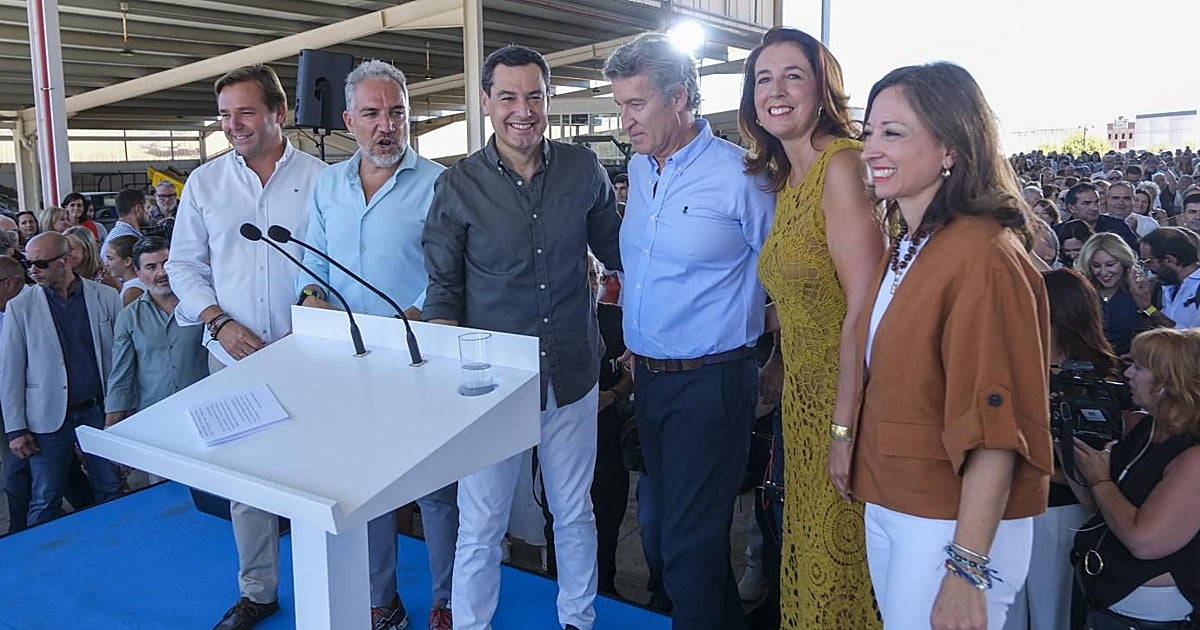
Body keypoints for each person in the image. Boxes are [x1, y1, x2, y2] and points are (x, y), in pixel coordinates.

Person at [422, 44, 621, 630]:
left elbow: (620, 255)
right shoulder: (459, 185)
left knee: (574, 510)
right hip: (492, 386)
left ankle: (578, 620)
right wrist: (448, 378)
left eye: (534, 95)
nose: (522, 109)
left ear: (549, 98)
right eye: (507, 96)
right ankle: (472, 623)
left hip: (572, 373)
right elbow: (442, 292)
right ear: (486, 102)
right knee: (481, 523)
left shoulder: (584, 170)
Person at [853, 62, 1052, 629]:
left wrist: (967, 571)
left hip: (950, 526)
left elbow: (996, 425)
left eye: (893, 132)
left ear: (950, 147)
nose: (871, 149)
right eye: (869, 132)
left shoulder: (984, 255)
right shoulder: (914, 245)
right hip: (898, 506)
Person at [603, 33, 775, 629]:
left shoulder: (742, 177)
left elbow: (783, 277)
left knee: (687, 543)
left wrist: (772, 363)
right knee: (663, 534)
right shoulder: (639, 170)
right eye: (619, 105)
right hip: (648, 383)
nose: (624, 121)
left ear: (680, 99)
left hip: (712, 383)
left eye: (636, 105)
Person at [165, 63, 326, 630]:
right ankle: (258, 591)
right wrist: (217, 322)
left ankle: (325, 582)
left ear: (279, 113)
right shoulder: (206, 183)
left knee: (319, 477)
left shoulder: (321, 177)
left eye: (247, 112)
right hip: (231, 357)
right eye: (226, 115)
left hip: (309, 358)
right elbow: (183, 265)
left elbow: (329, 260)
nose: (234, 124)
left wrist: (312, 303)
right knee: (247, 479)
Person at [296, 59, 454, 630]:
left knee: (436, 490)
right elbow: (310, 260)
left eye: (396, 113)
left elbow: (450, 271)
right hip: (347, 364)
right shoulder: (327, 185)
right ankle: (380, 602)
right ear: (348, 121)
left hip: (418, 358)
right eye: (371, 114)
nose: (385, 126)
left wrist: (410, 315)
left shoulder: (439, 183)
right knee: (369, 489)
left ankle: (448, 601)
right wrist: (310, 292)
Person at [737, 26, 883, 629]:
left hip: (844, 405)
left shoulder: (840, 166)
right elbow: (807, 295)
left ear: (823, 88)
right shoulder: (789, 177)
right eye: (763, 78)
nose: (776, 90)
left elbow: (865, 308)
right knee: (808, 558)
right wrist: (774, 367)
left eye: (792, 75)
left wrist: (844, 430)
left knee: (842, 573)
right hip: (801, 401)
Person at [1003, 269, 1117, 630]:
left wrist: (1030, 464)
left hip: (1059, 516)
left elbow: (1094, 474)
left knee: (1054, 615)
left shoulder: (1097, 382)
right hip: (1003, 510)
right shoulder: (1008, 367)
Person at [1068, 328, 1200, 629]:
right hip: (1100, 600)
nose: (1127, 374)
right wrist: (1072, 451)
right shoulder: (1144, 429)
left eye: (1138, 367)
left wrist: (1101, 480)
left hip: (1148, 616)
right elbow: (1097, 506)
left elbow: (1144, 541)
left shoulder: (1194, 457)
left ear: (1169, 380)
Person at [1, 232, 124, 526]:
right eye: (28, 263)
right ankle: (37, 562)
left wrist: (123, 408)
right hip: (46, 419)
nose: (32, 271)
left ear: (67, 260)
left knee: (111, 487)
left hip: (98, 411)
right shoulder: (21, 306)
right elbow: (11, 372)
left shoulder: (105, 297)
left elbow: (121, 360)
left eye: (40, 264)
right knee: (45, 497)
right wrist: (15, 429)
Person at [104, 235, 207, 426]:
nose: (162, 273)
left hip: (204, 410)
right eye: (151, 267)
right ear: (138, 273)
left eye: (166, 264)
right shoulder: (129, 317)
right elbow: (121, 375)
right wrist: (111, 425)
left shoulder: (203, 306)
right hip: (155, 416)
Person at [1074, 233, 1153, 356]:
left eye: (1110, 265)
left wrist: (1147, 308)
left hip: (1130, 364)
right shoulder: (1082, 291)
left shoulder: (1140, 289)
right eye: (1096, 266)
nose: (1104, 272)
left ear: (1123, 262)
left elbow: (1154, 322)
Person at [1139, 227, 1200, 330]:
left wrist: (1149, 308)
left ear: (1169, 261)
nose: (1149, 268)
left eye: (1148, 262)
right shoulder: (1165, 284)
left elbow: (1192, 339)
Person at [64, 226, 119, 291]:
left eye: (71, 248)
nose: (65, 253)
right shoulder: (64, 278)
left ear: (87, 251)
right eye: (64, 248)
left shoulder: (105, 278)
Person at [103, 234, 146, 306]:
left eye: (110, 259)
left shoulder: (132, 291)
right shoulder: (131, 285)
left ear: (127, 261)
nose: (106, 263)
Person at [102, 188, 148, 252]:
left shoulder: (119, 234)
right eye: (147, 208)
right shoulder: (127, 241)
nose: (149, 213)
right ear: (138, 209)